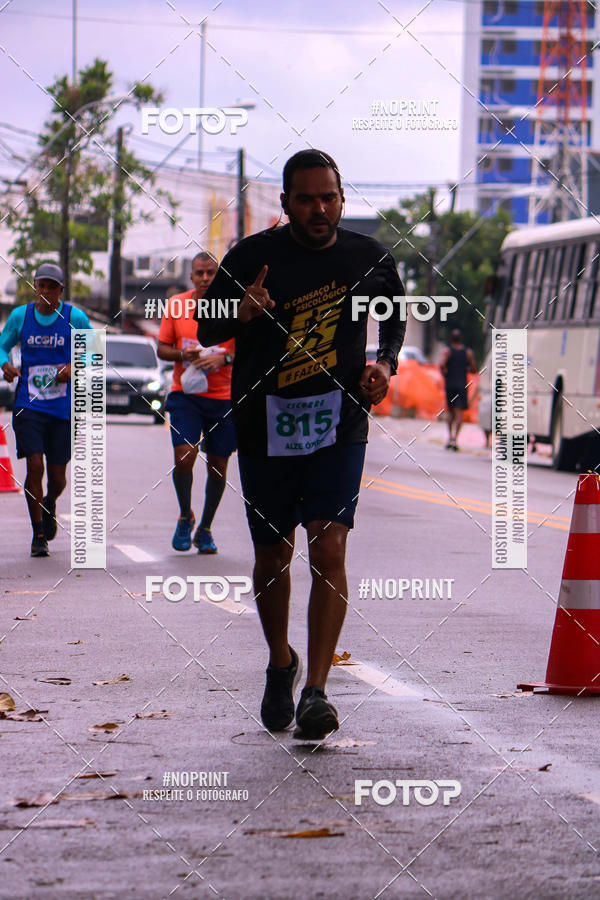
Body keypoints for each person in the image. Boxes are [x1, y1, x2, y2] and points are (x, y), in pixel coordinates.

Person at [197, 149, 405, 740]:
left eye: (330, 197)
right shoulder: (251, 256)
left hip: (339, 421)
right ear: (285, 203)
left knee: (330, 549)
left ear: (342, 198)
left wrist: (385, 364)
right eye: (308, 198)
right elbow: (206, 327)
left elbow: (393, 320)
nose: (320, 208)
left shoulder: (367, 257)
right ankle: (280, 662)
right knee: (272, 557)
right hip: (265, 423)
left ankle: (315, 690)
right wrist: (243, 309)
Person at [0, 263, 92, 557]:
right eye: (41, 285)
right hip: (29, 404)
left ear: (61, 290)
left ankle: (49, 501)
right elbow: (2, 347)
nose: (45, 291)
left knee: (57, 476)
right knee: (34, 465)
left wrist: (74, 366)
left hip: (63, 408)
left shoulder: (74, 317)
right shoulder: (21, 316)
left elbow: (94, 350)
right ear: (35, 286)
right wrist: (6, 365)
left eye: (52, 287)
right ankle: (38, 533)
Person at [157, 252, 236, 554]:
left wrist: (224, 357)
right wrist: (182, 355)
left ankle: (205, 528)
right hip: (185, 395)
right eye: (200, 273)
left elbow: (251, 349)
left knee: (218, 466)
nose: (205, 278)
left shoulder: (232, 307)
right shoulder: (177, 304)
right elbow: (162, 349)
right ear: (191, 277)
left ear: (220, 276)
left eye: (211, 273)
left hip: (223, 398)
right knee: (184, 456)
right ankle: (184, 515)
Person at [440, 328, 477, 451]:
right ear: (461, 339)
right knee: (459, 411)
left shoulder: (447, 351)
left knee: (450, 411)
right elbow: (473, 368)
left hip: (450, 384)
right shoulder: (468, 352)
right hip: (462, 385)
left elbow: (442, 365)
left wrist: (445, 375)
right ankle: (456, 439)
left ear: (451, 339)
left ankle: (449, 437)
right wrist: (465, 369)